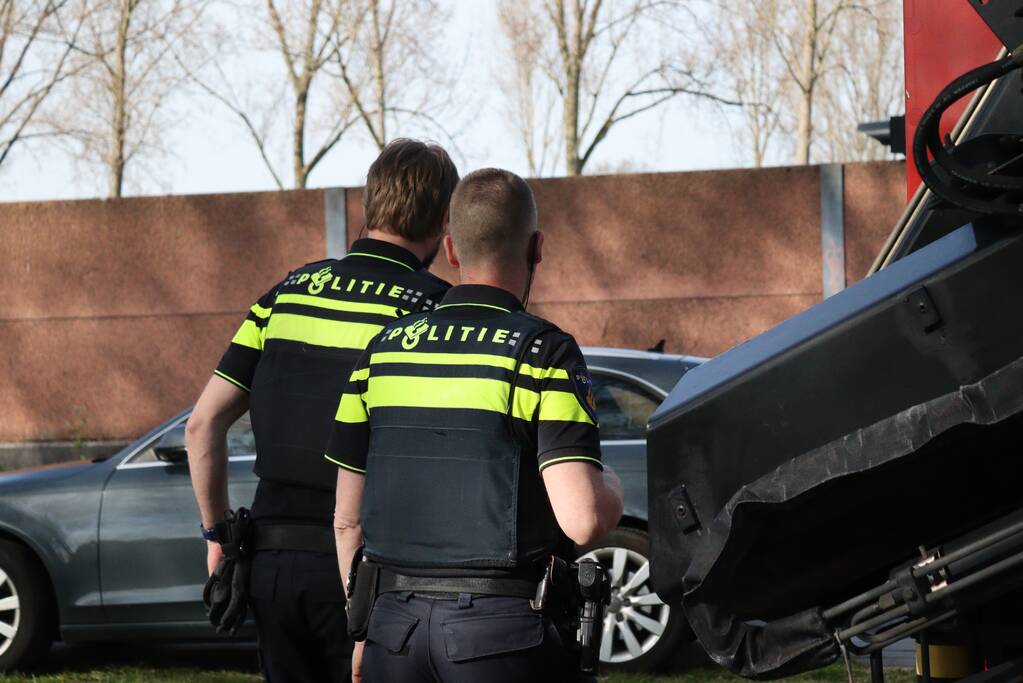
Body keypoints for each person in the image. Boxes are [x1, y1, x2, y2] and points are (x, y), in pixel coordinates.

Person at [330, 168, 625, 682]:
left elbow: (346, 521)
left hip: (392, 631)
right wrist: (612, 486)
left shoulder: (381, 352)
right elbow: (583, 519)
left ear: (450, 250)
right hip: (504, 636)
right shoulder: (543, 353)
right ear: (536, 248)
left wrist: (362, 631)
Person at [185, 139, 459, 683]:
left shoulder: (286, 294)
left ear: (371, 202)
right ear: (443, 219)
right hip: (369, 570)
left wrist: (217, 537)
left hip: (269, 565)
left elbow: (201, 426)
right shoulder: (434, 311)